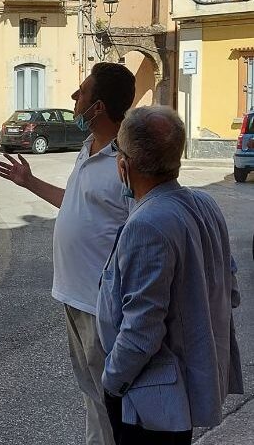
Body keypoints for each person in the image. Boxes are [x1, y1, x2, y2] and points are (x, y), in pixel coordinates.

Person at [0, 62, 136, 445]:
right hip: (72, 295)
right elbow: (74, 203)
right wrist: (29, 182)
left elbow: (142, 231)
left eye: (82, 92)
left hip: (100, 302)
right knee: (91, 393)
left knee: (111, 395)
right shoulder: (88, 148)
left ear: (99, 107)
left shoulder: (127, 161)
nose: (74, 99)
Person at [98, 106, 243, 444]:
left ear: (125, 165)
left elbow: (142, 330)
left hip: (151, 404)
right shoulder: (204, 204)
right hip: (182, 393)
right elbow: (229, 290)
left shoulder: (147, 225)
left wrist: (112, 381)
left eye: (117, 150)